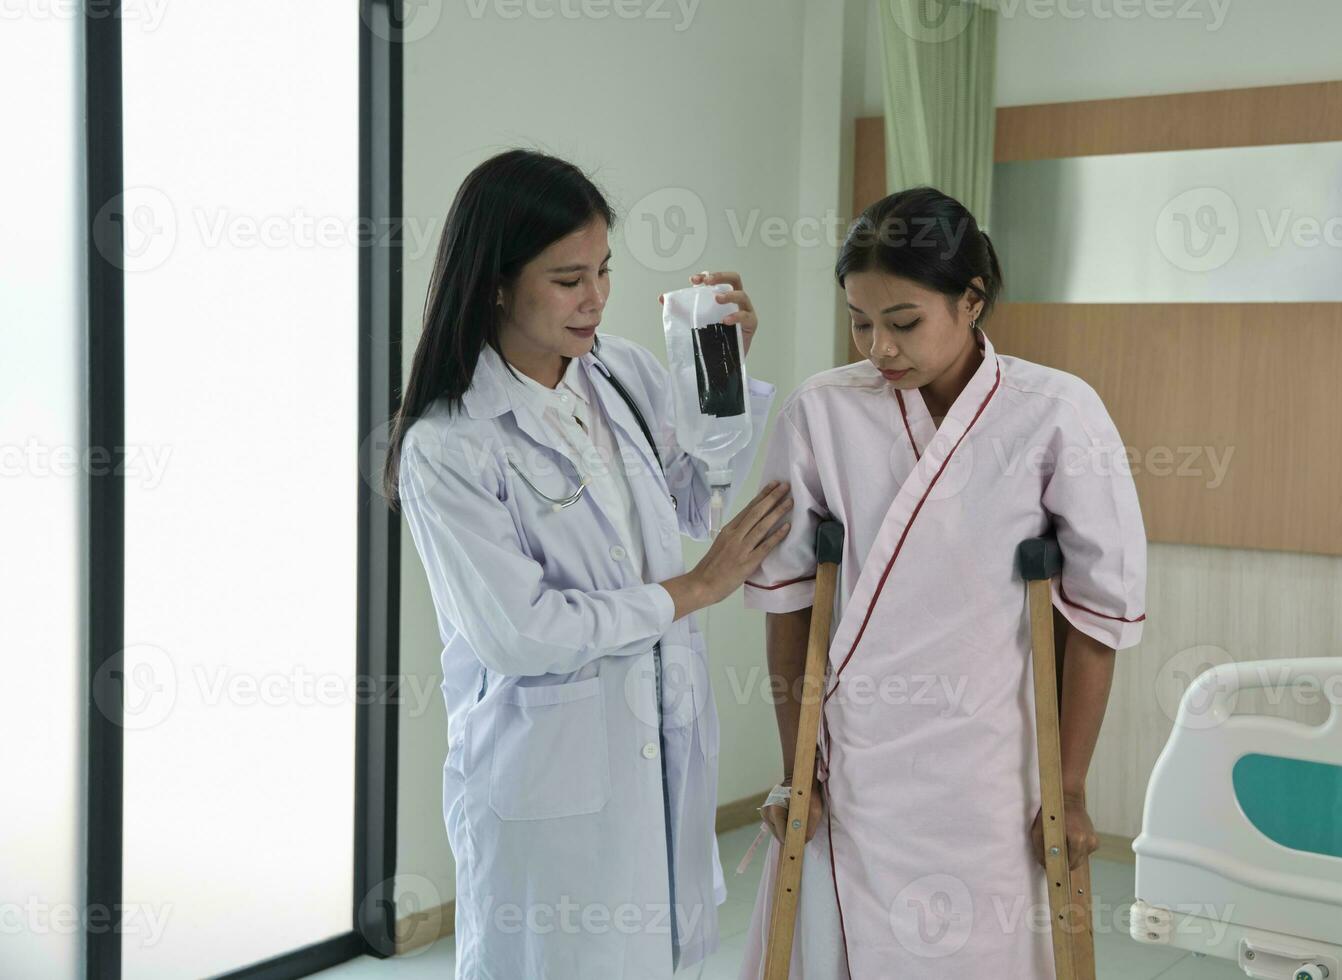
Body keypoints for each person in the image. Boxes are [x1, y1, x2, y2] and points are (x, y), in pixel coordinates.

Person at [382, 148, 794, 979]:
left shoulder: (624, 374)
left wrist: (721, 371)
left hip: (652, 748)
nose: (597, 297)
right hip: (547, 787)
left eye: (604, 270)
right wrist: (691, 590)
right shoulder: (450, 444)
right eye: (569, 278)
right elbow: (522, 635)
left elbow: (694, 499)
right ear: (496, 282)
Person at [739, 187, 1147, 978]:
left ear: (972, 300)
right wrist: (797, 775)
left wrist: (1070, 786)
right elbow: (789, 603)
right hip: (855, 762)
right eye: (860, 321)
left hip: (991, 766)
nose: (878, 348)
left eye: (903, 322)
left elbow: (1098, 617)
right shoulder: (822, 412)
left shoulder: (1057, 412)